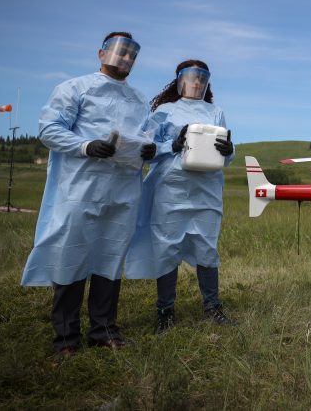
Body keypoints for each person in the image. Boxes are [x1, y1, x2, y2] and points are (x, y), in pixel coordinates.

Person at [21, 31, 157, 357]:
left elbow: (148, 137)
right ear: (101, 54)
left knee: (109, 259)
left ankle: (104, 330)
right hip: (82, 187)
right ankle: (66, 339)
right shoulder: (75, 88)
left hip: (123, 191)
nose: (125, 59)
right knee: (72, 258)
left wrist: (151, 149)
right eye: (119, 52)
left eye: (131, 55)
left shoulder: (138, 99)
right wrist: (85, 146)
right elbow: (50, 129)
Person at [126, 60, 236, 332]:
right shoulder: (165, 111)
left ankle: (213, 307)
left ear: (207, 82)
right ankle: (165, 312)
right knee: (167, 247)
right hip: (172, 189)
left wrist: (229, 150)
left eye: (202, 78)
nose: (196, 82)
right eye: (191, 77)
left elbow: (227, 155)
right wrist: (170, 145)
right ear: (179, 81)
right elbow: (146, 147)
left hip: (207, 190)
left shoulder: (216, 112)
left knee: (207, 247)